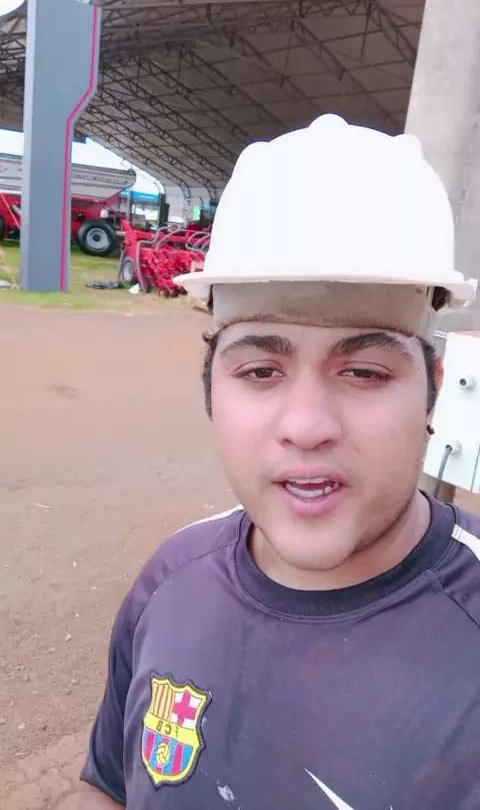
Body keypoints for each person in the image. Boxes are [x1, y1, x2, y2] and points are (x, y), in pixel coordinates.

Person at [79, 115, 480, 810]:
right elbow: (110, 791)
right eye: (261, 371)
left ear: (433, 391)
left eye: (364, 372)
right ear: (210, 388)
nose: (306, 426)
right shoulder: (169, 581)